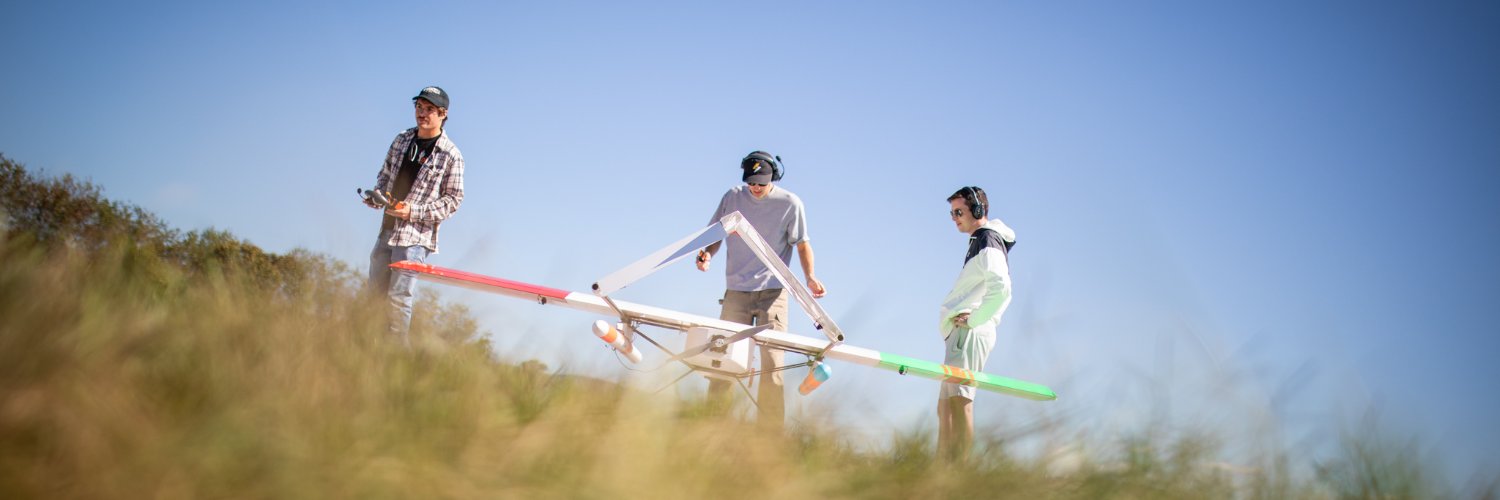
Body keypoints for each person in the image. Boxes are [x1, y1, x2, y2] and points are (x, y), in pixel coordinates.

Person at [695, 151, 826, 430]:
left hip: (773, 293)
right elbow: (717, 233)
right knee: (723, 358)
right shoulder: (732, 197)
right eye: (751, 182)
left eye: (761, 183)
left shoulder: (790, 203)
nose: (755, 188)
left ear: (774, 178)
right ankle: (712, 426)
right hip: (736, 291)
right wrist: (707, 254)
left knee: (772, 364)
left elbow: (802, 243)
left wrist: (811, 277)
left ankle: (769, 435)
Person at [365, 86, 465, 348]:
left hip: (415, 238)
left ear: (443, 114)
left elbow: (453, 201)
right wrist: (377, 196)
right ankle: (367, 352)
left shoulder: (451, 155)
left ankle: (397, 360)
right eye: (419, 107)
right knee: (374, 296)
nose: (422, 113)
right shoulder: (401, 139)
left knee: (398, 298)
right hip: (387, 227)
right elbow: (385, 174)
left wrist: (413, 211)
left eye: (429, 109)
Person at [937, 185, 1015, 460]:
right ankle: (940, 475)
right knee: (946, 408)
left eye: (959, 212)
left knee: (959, 404)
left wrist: (975, 320)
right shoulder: (980, 241)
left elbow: (1002, 288)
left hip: (969, 333)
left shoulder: (987, 240)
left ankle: (960, 478)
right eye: (951, 214)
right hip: (962, 333)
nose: (955, 217)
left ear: (977, 210)